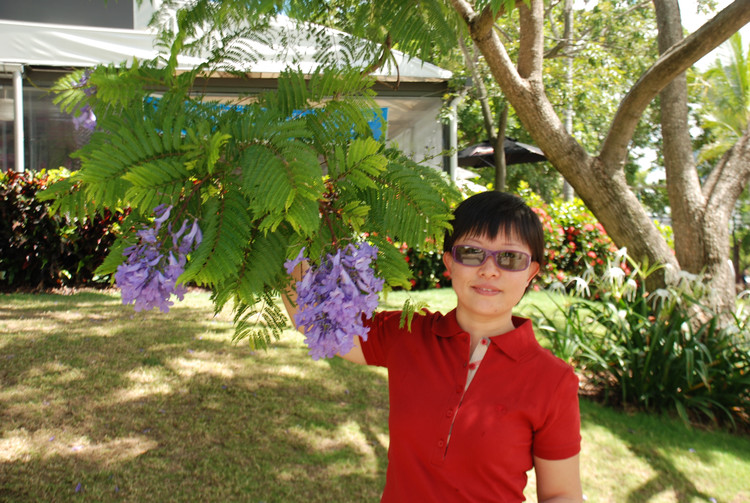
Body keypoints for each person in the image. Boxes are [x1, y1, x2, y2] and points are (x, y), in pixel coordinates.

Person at [284, 191, 582, 502]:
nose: (489, 270)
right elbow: (318, 325)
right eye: (471, 253)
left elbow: (561, 494)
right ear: (449, 263)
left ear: (531, 272)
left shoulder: (553, 380)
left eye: (509, 258)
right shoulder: (407, 332)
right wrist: (291, 220)